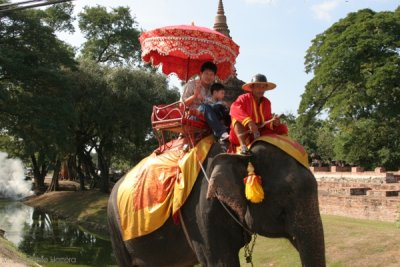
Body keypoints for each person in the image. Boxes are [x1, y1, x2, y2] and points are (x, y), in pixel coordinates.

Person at [229, 73, 288, 155]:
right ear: (252, 87)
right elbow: (234, 108)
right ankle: (243, 146)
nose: (260, 89)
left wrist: (274, 122)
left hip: (259, 132)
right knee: (236, 119)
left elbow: (267, 120)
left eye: (263, 87)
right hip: (244, 133)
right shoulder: (243, 98)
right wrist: (249, 122)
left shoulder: (267, 102)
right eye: (258, 86)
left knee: (282, 127)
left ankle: (281, 149)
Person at [181, 61, 229, 142]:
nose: (208, 77)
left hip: (209, 118)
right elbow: (182, 104)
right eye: (206, 73)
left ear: (214, 76)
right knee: (204, 107)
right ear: (200, 74)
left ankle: (230, 129)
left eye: (211, 74)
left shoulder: (213, 89)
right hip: (193, 117)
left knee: (220, 107)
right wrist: (194, 96)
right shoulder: (191, 85)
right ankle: (221, 133)